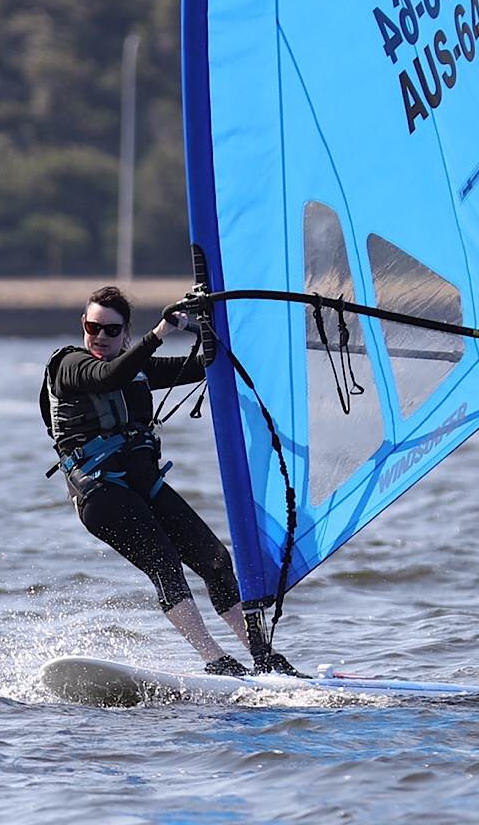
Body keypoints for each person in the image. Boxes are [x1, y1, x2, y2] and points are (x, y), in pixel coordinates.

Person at [44, 284, 295, 676]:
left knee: (215, 560)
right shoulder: (70, 366)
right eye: (94, 328)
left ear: (125, 333)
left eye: (112, 330)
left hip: (144, 487)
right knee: (165, 563)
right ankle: (215, 660)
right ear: (84, 325)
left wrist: (217, 325)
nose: (101, 337)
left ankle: (263, 656)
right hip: (100, 494)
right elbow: (108, 376)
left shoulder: (138, 366)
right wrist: (160, 332)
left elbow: (211, 364)